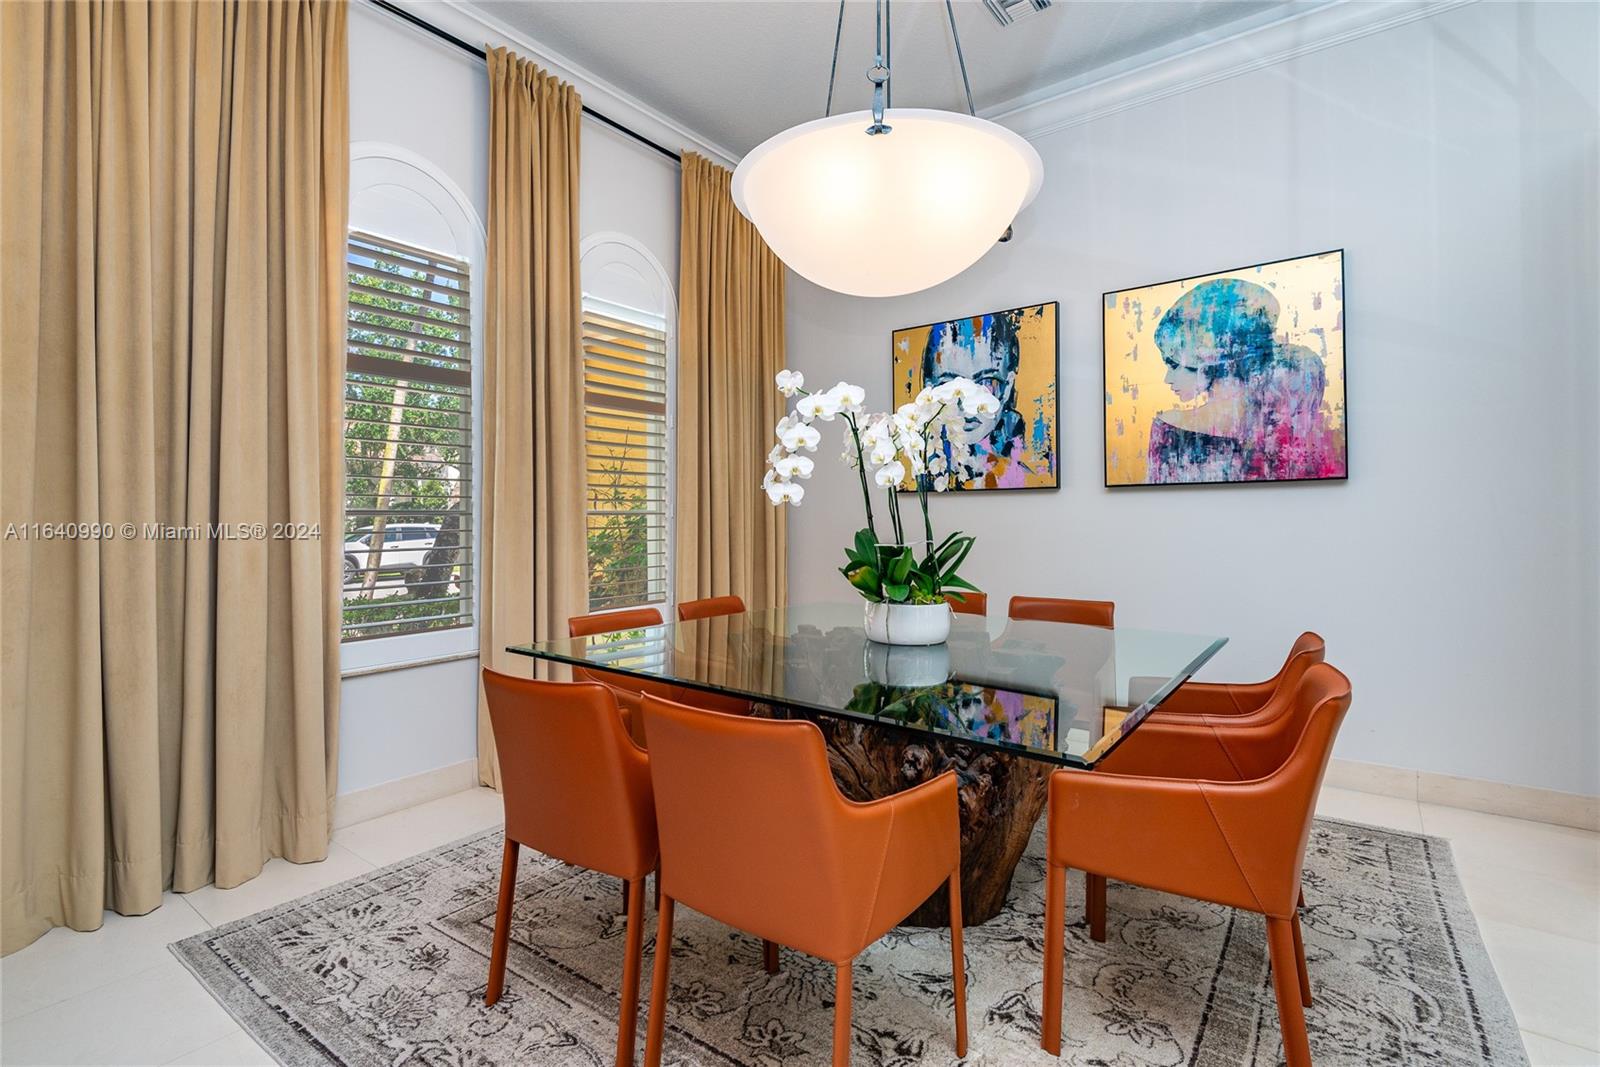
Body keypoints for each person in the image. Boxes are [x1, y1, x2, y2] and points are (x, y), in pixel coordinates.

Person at [1147, 278, 1340, 483]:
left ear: (1209, 358)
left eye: (1174, 364)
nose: (1167, 379)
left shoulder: (1170, 427)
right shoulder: (1282, 430)